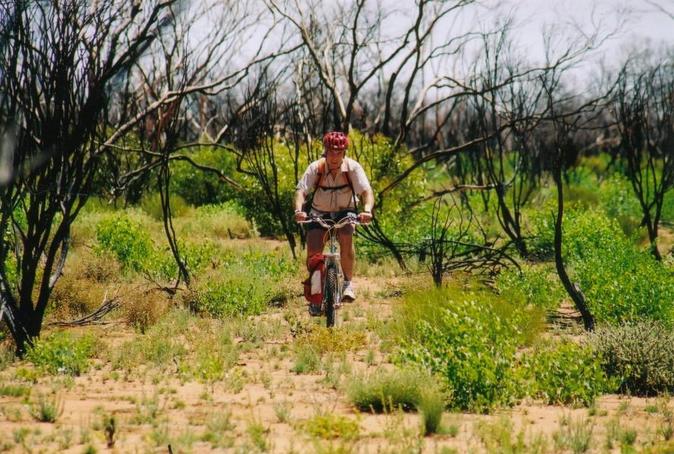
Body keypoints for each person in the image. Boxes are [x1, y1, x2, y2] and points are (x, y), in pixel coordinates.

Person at [294, 131, 374, 314]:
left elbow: (366, 191)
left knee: (346, 235)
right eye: (331, 151)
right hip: (319, 212)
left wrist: (367, 210)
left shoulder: (353, 168)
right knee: (314, 252)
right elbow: (301, 191)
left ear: (344, 152)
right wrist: (299, 210)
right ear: (325, 151)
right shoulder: (316, 167)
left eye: (339, 152)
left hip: (345, 211)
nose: (335, 156)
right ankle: (315, 296)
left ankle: (347, 284)